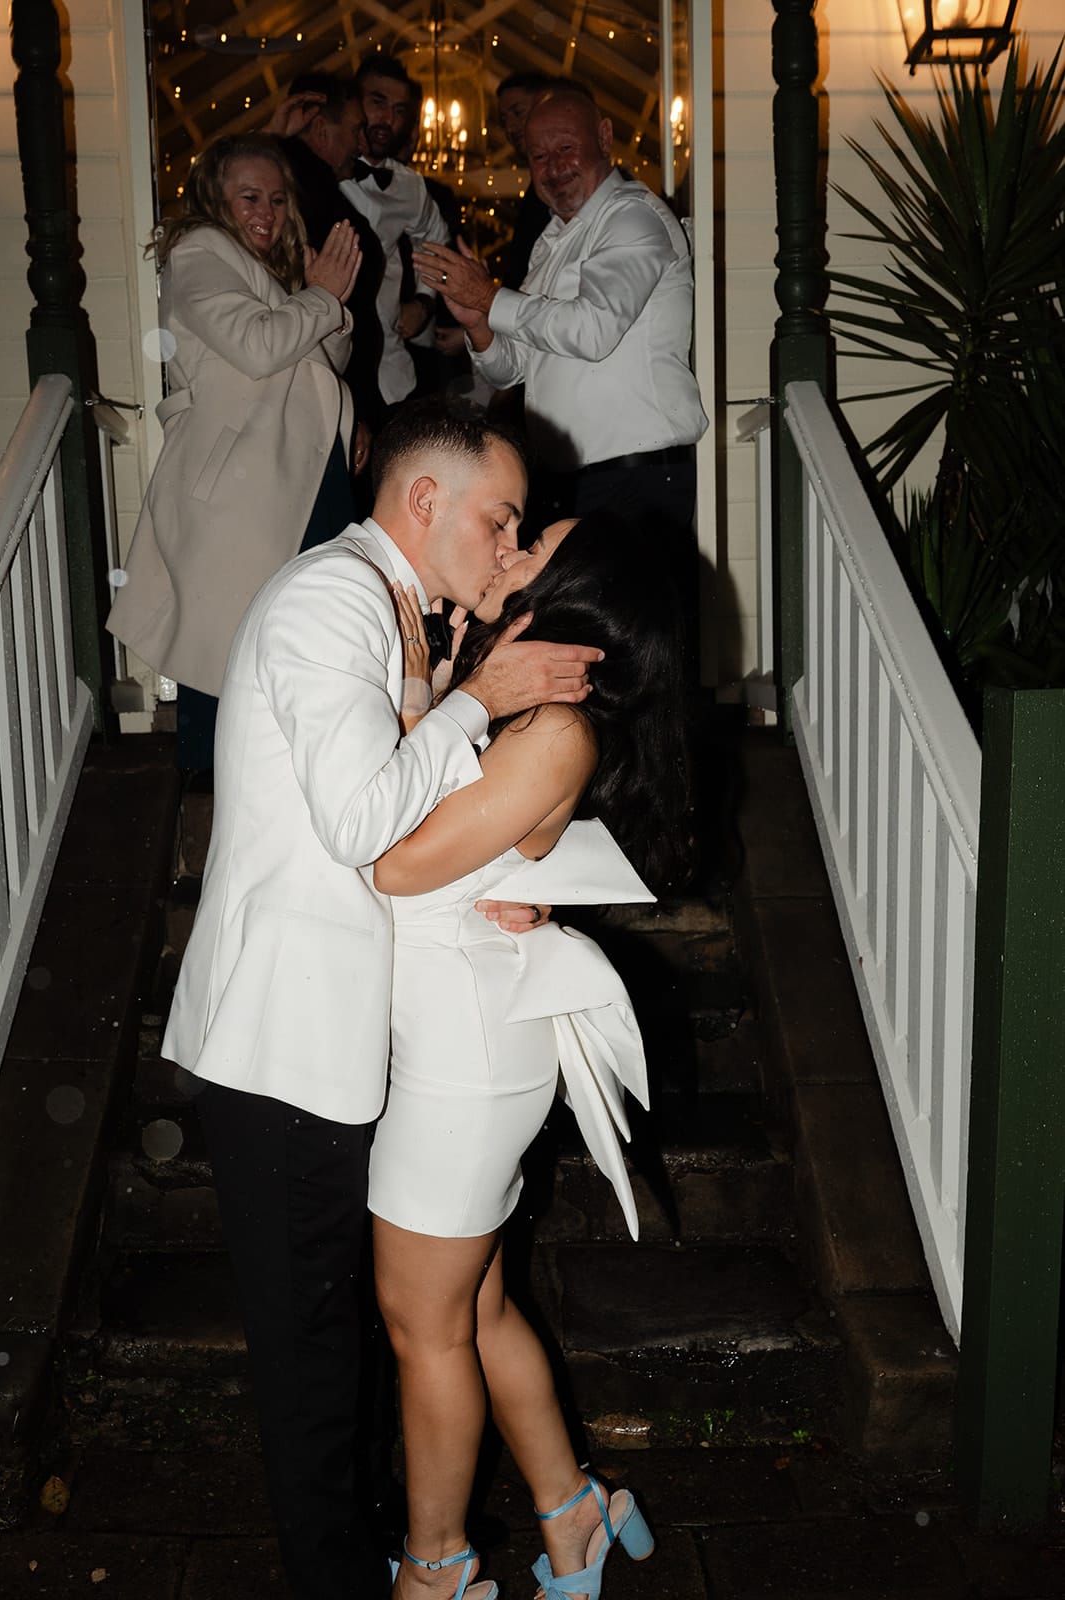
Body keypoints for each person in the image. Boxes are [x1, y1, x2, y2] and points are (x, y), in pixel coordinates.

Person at [160, 397, 605, 1600]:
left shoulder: (390, 612)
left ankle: (405, 1556)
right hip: (284, 1040)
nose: (504, 544)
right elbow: (364, 821)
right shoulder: (333, 599)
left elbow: (422, 810)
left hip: (333, 1038)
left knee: (337, 1346)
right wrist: (474, 699)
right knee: (312, 1370)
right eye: (498, 518)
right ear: (424, 500)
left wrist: (512, 876)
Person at [370, 510, 692, 1600]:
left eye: (533, 547)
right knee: (474, 1309)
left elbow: (394, 863)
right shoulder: (525, 711)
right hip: (455, 1035)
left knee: (422, 1327)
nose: (506, 553)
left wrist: (439, 695)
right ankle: (571, 1512)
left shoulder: (553, 729)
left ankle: (437, 1569)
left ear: (576, 592)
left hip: (463, 1059)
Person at [107, 133, 361, 768]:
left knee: (300, 636)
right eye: (250, 197)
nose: (266, 212)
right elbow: (257, 345)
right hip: (243, 489)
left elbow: (325, 358)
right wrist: (321, 297)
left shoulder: (267, 271)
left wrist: (322, 298)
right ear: (214, 198)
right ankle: (210, 800)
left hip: (293, 479)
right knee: (226, 651)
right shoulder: (201, 249)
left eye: (276, 199)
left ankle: (287, 788)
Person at [413, 85, 707, 534]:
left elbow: (592, 332)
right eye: (538, 156)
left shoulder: (632, 217)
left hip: (637, 478)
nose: (553, 168)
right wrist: (479, 324)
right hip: (577, 483)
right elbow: (511, 369)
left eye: (566, 148)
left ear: (604, 138)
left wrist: (489, 298)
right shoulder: (552, 240)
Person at [266, 75, 388, 481]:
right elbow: (306, 314)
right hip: (326, 404)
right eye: (355, 130)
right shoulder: (300, 193)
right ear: (320, 129)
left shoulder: (311, 186)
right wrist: (346, 411)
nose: (362, 144)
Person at [343, 54, 451, 409]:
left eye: (399, 110)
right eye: (378, 102)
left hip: (392, 371)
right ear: (354, 103)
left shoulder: (410, 186)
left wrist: (423, 301)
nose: (388, 119)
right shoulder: (322, 173)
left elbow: (436, 239)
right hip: (331, 366)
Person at [495, 70, 553, 289]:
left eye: (518, 112)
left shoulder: (563, 183)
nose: (510, 128)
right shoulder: (536, 189)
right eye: (503, 120)